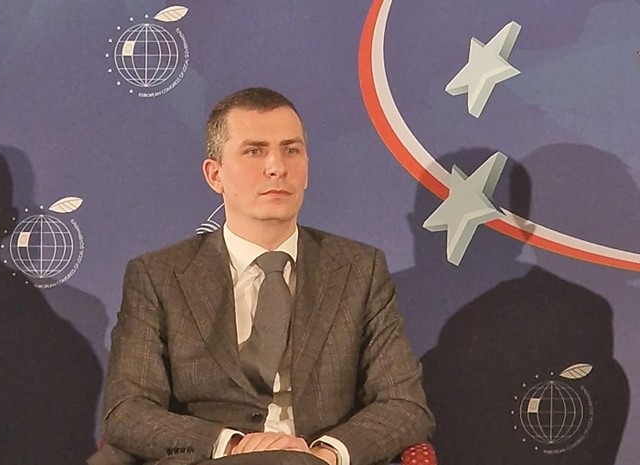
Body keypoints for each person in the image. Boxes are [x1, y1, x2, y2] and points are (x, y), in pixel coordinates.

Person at [90, 88, 434, 465]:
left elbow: (404, 403)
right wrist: (231, 445)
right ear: (215, 175)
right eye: (254, 151)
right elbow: (128, 411)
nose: (277, 167)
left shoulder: (359, 270)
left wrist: (325, 454)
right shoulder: (159, 276)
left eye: (291, 150)